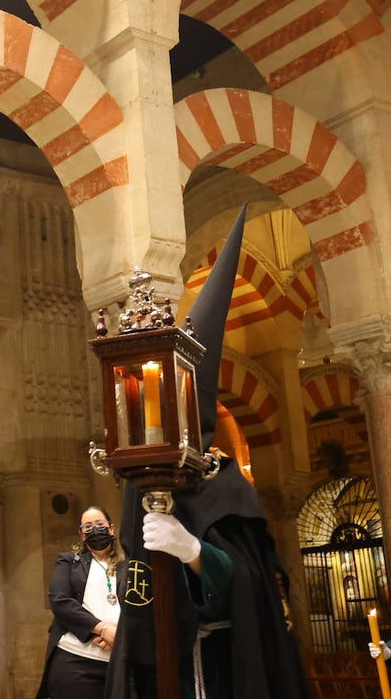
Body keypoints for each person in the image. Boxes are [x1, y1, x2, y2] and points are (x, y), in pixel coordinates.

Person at [105, 205, 308, 699]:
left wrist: (195, 552)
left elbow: (253, 588)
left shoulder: (224, 483)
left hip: (216, 672)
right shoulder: (140, 477)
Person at [36, 506, 124, 699]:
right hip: (75, 661)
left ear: (111, 528)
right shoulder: (68, 561)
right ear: (82, 535)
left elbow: (139, 607)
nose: (95, 530)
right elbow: (60, 601)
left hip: (119, 662)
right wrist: (103, 629)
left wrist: (120, 634)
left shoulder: (128, 564)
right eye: (88, 527)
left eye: (100, 525)